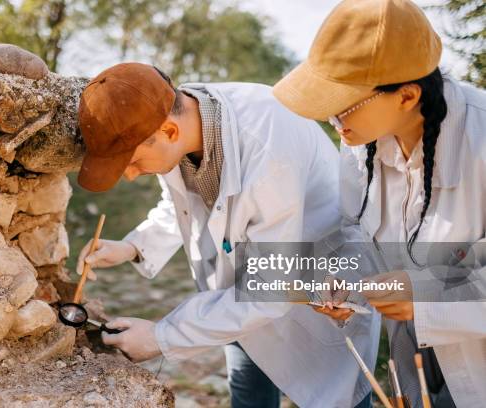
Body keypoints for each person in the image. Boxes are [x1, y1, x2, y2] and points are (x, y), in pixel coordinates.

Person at [72, 62, 378, 408]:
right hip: (240, 295)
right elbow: (182, 202)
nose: (129, 175)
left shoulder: (267, 146)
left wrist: (163, 336)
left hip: (315, 286)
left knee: (336, 399)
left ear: (169, 133)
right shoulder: (181, 116)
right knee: (249, 397)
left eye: (132, 161)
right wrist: (132, 246)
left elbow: (272, 285)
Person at [272, 0, 486, 407]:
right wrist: (346, 286)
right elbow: (358, 230)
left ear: (406, 96)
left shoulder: (481, 135)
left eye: (341, 109)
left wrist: (427, 296)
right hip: (414, 352)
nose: (333, 122)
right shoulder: (363, 143)